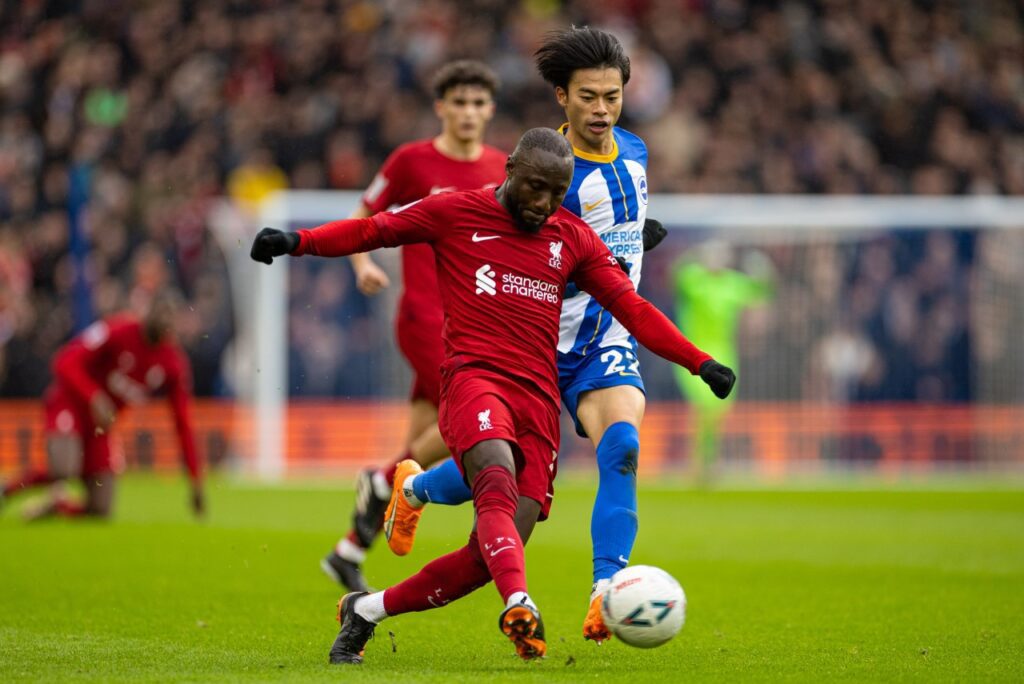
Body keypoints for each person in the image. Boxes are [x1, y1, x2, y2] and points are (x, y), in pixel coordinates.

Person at [250, 127, 734, 663]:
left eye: (555, 193)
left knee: (487, 554)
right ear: (508, 172)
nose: (542, 204)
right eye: (533, 188)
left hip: (539, 399)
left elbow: (633, 308)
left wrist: (700, 362)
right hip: (473, 379)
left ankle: (366, 610)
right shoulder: (455, 212)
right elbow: (376, 229)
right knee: (495, 478)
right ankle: (519, 602)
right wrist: (299, 242)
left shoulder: (570, 236)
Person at [380, 27, 674, 644]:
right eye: (589, 97)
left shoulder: (637, 153)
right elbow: (526, 259)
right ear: (561, 99)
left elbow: (612, 237)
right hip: (531, 346)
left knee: (621, 446)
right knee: (504, 476)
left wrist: (631, 242)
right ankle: (416, 487)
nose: (602, 110)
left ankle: (606, 591)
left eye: (613, 97)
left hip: (602, 341)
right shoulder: (542, 175)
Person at [318, 60, 507, 594]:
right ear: (440, 108)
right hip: (427, 318)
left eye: (478, 103)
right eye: (459, 102)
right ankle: (379, 484)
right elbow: (365, 209)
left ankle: (349, 549)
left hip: (475, 322)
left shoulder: (500, 165)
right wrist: (362, 264)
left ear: (489, 110)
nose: (469, 112)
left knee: (417, 445)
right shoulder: (412, 161)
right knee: (468, 421)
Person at [0, 292, 204, 519]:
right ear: (148, 312)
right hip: (70, 404)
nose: (165, 323)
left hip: (100, 425)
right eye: (162, 314)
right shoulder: (117, 330)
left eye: (171, 319)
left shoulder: (173, 363)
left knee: (101, 508)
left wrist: (195, 480)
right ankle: (6, 489)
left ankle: (59, 506)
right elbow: (64, 360)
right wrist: (94, 397)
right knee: (63, 468)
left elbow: (182, 422)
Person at [672, 240, 774, 482]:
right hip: (692, 354)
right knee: (704, 408)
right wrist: (693, 252)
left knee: (717, 411)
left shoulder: (731, 284)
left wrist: (761, 266)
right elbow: (675, 275)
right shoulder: (694, 279)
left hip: (724, 354)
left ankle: (707, 463)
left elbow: (762, 289)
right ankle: (698, 464)